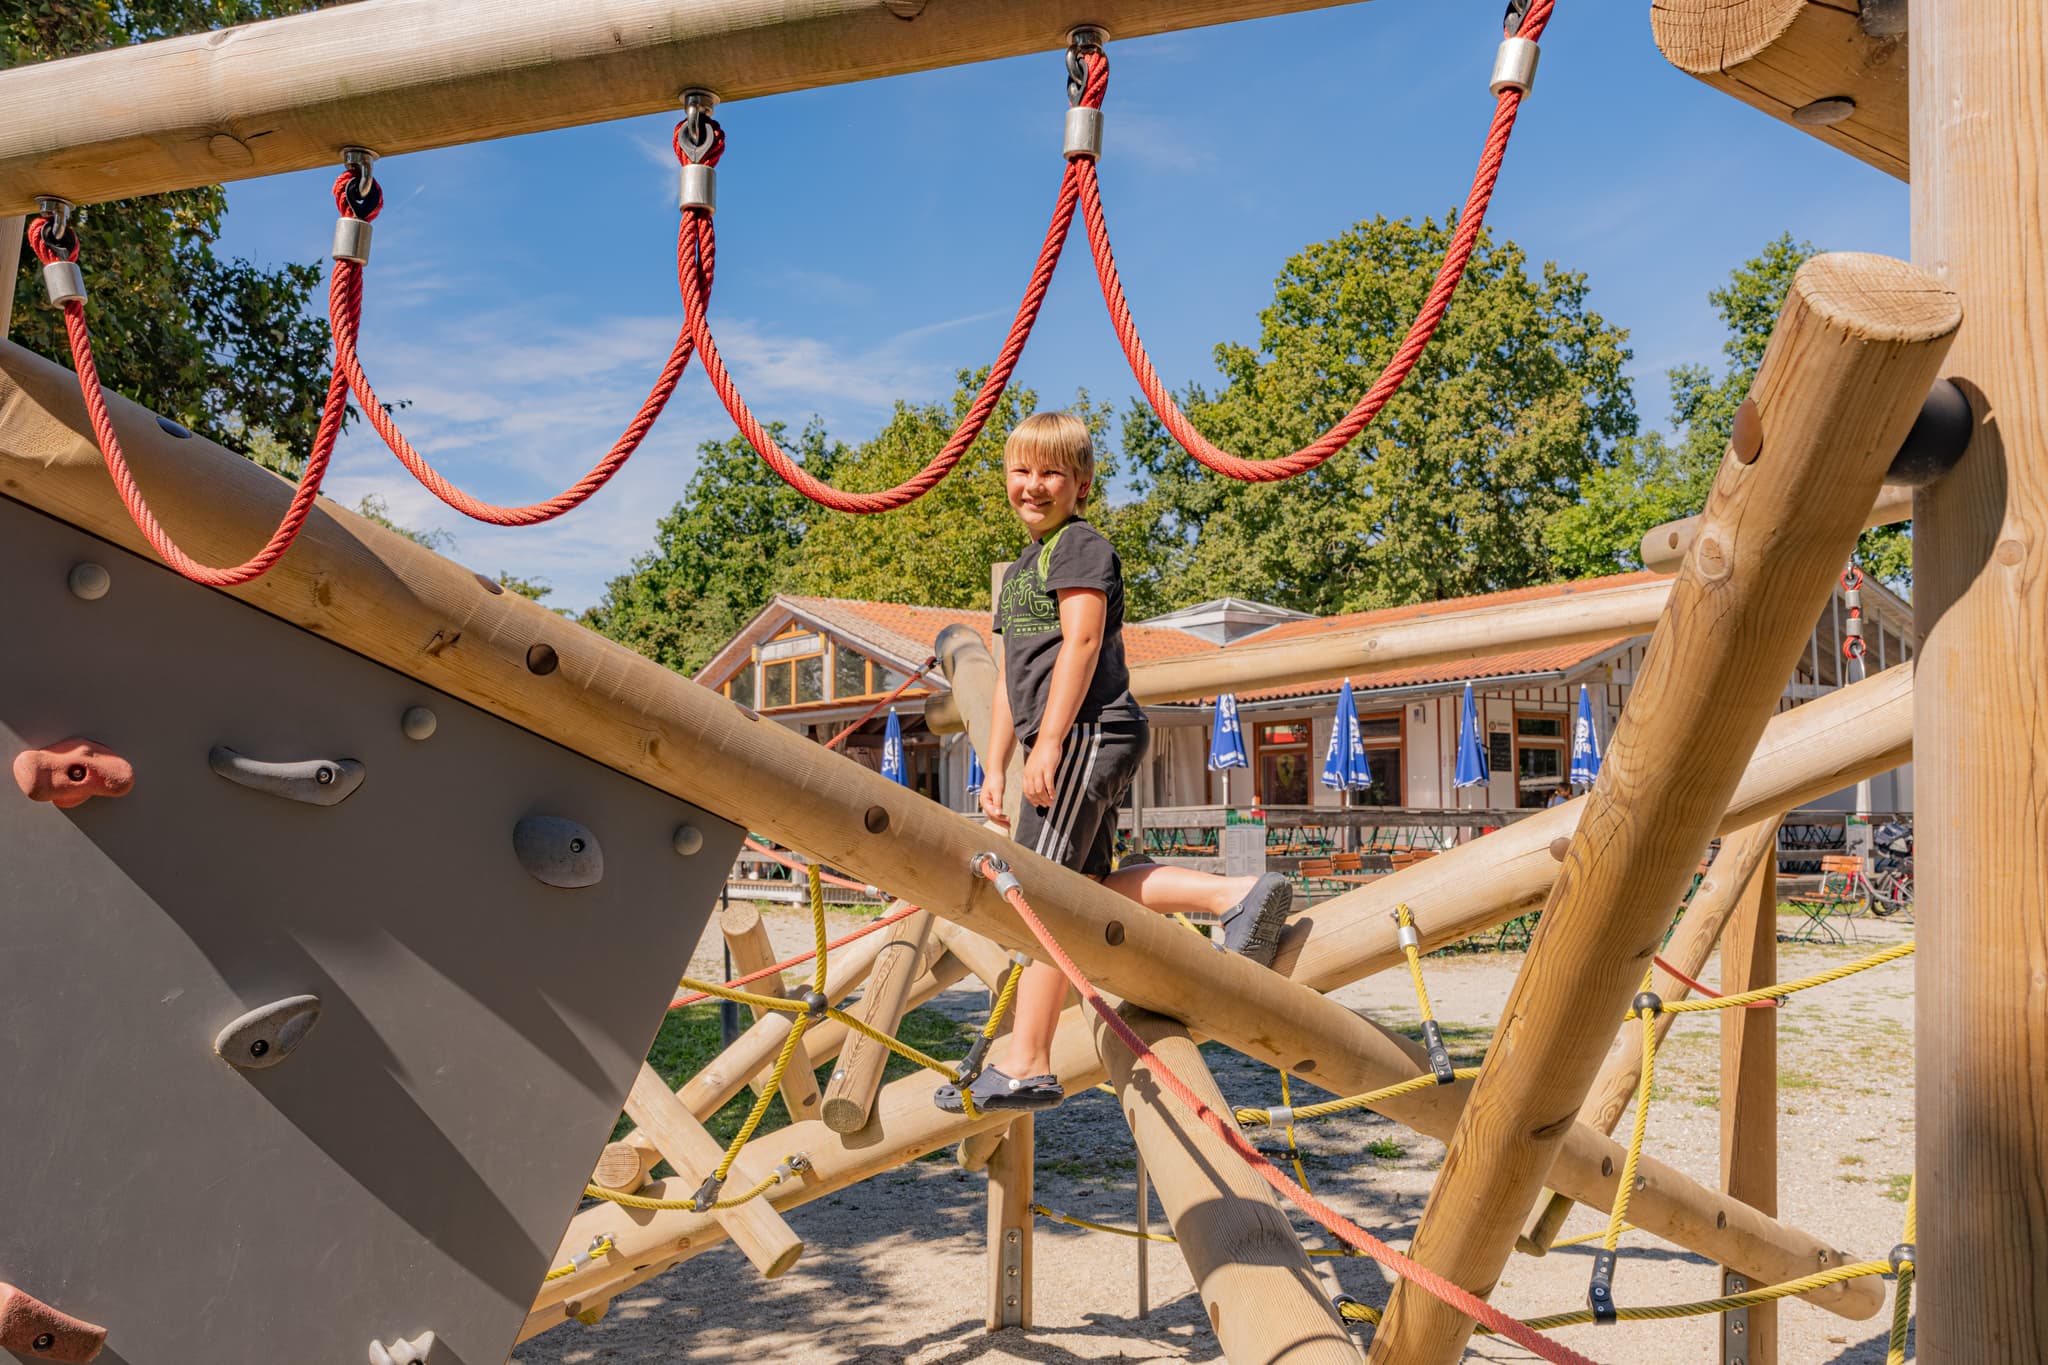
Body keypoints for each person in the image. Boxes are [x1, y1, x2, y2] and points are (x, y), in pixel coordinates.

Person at [935, 412, 1295, 1115]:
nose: (1032, 485)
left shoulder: (1080, 546)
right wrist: (997, 764)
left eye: (1050, 473)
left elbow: (1083, 641)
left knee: (1041, 894)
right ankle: (1234, 895)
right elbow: (1011, 677)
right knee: (1090, 886)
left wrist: (1051, 743)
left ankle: (1028, 1061)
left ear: (1081, 484)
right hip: (1069, 739)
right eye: (1020, 470)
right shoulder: (1019, 574)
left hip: (1090, 732)